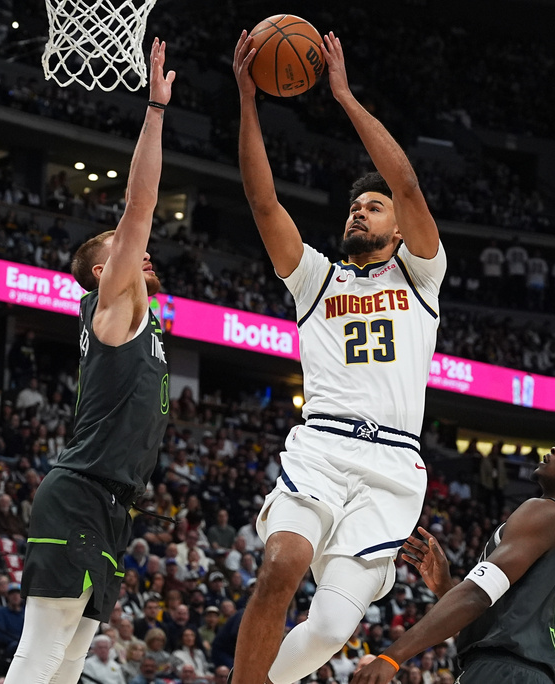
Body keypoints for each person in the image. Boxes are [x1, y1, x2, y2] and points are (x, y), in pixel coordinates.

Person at [231, 28, 445, 684]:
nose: (359, 213)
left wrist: (345, 97)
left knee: (326, 627)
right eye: (354, 206)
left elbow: (406, 180)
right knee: (281, 566)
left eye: (373, 207)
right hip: (321, 447)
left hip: (391, 466)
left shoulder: (420, 276)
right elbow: (263, 202)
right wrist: (247, 101)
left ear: (400, 228)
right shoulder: (316, 280)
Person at [4, 38, 175, 684]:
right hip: (77, 497)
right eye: (127, 250)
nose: (144, 253)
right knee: (43, 653)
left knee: (70, 662)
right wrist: (155, 111)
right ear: (106, 270)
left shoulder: (142, 322)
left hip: (110, 507)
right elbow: (140, 207)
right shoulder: (114, 309)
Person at [351, 433, 555, 684]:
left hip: (499, 671)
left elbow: (478, 594)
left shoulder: (547, 512)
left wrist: (392, 657)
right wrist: (445, 588)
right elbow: (506, 619)